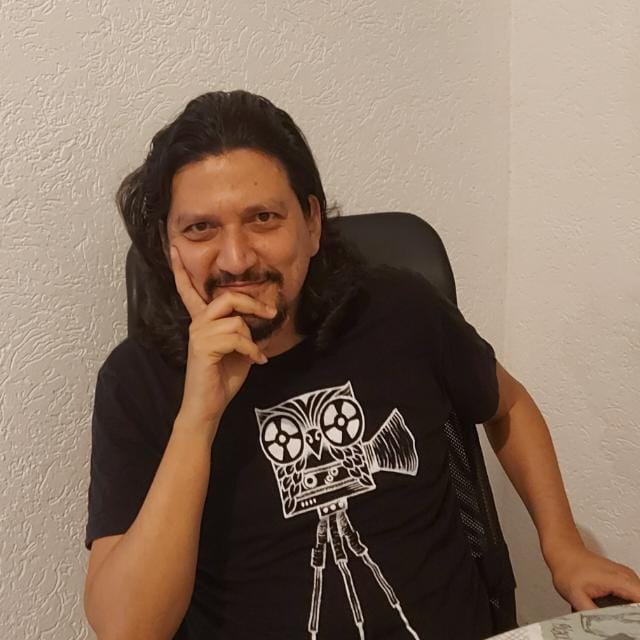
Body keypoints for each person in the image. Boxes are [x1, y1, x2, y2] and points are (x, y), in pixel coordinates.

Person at [84, 90, 640, 640]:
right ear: (168, 244)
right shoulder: (138, 380)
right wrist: (198, 417)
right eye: (200, 228)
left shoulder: (396, 310)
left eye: (263, 218)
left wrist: (564, 547)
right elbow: (127, 629)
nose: (235, 259)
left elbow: (509, 405)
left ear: (311, 224)